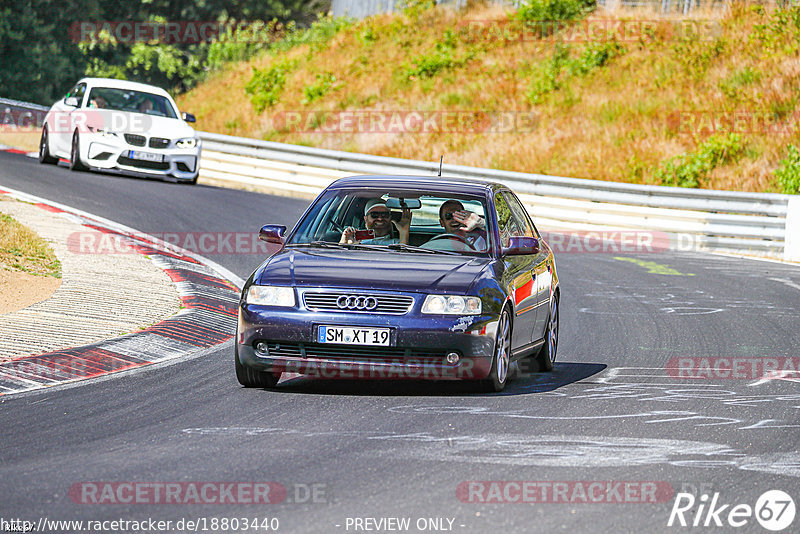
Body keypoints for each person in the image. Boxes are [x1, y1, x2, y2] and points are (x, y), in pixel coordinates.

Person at [340, 198, 411, 245]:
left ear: (390, 218)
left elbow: (402, 260)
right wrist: (345, 243)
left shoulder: (397, 243)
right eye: (374, 215)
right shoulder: (356, 242)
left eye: (384, 215)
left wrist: (404, 233)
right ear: (366, 219)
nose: (380, 219)